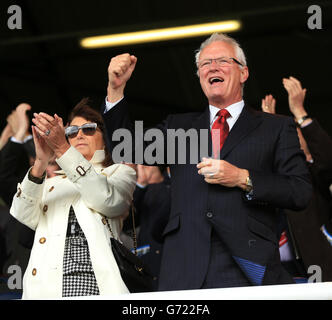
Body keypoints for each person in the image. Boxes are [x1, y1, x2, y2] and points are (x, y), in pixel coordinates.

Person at [102, 33, 312, 290]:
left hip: (246, 267)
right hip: (183, 268)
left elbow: (299, 191)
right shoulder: (180, 128)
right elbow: (125, 149)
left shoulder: (275, 127)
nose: (212, 67)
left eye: (222, 60)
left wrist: (243, 178)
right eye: (204, 64)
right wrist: (116, 89)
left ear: (243, 73)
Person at [10, 98, 136, 299]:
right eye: (71, 132)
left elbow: (107, 201)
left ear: (105, 136)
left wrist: (61, 148)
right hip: (44, 289)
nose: (79, 135)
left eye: (88, 129)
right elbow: (23, 216)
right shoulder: (50, 182)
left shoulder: (119, 173)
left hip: (94, 285)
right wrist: (41, 161)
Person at [261, 76, 332, 281]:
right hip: (279, 273)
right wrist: (269, 130)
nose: (287, 137)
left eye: (292, 131)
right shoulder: (270, 179)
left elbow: (327, 159)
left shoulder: (315, 174)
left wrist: (299, 112)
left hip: (316, 270)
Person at [129, 165, 170, 290]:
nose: (141, 168)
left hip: (168, 255)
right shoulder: (139, 191)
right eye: (139, 165)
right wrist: (141, 184)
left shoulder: (173, 186)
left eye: (146, 164)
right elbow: (128, 222)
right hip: (146, 256)